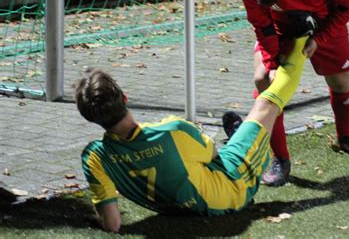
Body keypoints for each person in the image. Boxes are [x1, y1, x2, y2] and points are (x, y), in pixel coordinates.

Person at [75, 35, 310, 233]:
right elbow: (212, 155)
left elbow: (112, 224)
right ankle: (302, 41)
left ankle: (240, 135)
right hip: (232, 191)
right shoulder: (171, 130)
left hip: (180, 209)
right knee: (266, 104)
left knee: (221, 150)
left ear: (89, 118)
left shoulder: (94, 157)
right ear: (125, 97)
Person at [238, 0, 349, 187]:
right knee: (264, 80)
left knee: (340, 83)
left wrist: (319, 39)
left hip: (324, 24)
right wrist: (272, 62)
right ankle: (280, 159)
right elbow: (262, 24)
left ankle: (345, 137)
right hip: (280, 27)